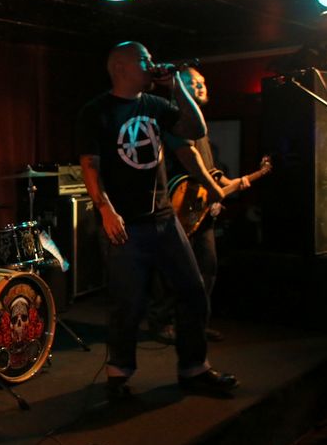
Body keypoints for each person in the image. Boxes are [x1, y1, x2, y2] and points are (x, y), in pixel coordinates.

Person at [76, 41, 239, 400]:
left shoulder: (157, 105)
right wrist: (105, 209)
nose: (151, 64)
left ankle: (194, 369)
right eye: (144, 60)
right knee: (128, 303)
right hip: (124, 223)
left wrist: (176, 85)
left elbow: (194, 131)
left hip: (164, 219)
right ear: (120, 67)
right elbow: (90, 165)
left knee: (193, 291)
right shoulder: (97, 111)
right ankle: (118, 376)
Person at [148, 67, 251, 344]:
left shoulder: (198, 123)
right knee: (171, 268)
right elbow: (184, 161)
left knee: (207, 267)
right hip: (176, 205)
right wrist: (212, 189)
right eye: (194, 83)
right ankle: (162, 323)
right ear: (178, 86)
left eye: (203, 83)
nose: (202, 87)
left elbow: (209, 169)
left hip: (200, 208)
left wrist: (226, 185)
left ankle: (195, 323)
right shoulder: (172, 116)